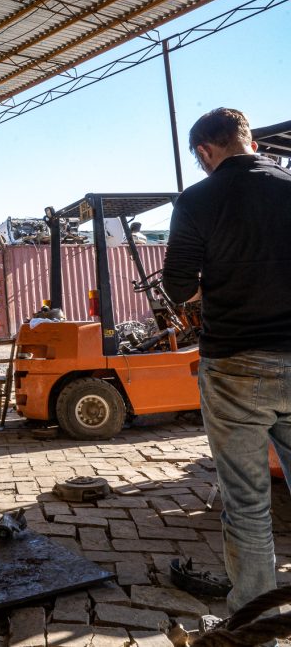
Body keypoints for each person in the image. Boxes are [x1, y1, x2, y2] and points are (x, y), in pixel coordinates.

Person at [162, 107, 291, 614]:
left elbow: (176, 286)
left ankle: (255, 622)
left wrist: (209, 290)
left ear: (204, 152)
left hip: (236, 366)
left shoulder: (196, 200)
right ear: (249, 140)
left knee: (246, 504)